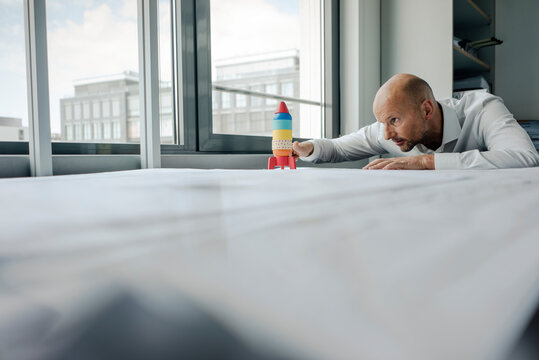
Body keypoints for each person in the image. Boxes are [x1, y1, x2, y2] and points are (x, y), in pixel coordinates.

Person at [292, 73, 539, 170]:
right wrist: (307, 148)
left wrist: (425, 162)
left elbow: (525, 157)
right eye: (383, 123)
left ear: (427, 109)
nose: (386, 135)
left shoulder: (483, 108)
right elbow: (337, 148)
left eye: (394, 120)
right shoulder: (387, 131)